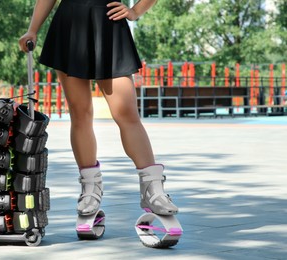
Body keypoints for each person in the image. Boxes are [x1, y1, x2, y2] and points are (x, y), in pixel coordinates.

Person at [19, 0, 178, 218]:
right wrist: (32, 29)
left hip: (109, 24)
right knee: (80, 113)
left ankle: (153, 190)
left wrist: (135, 11)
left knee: (127, 113)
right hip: (70, 26)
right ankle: (90, 190)